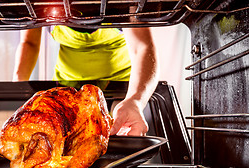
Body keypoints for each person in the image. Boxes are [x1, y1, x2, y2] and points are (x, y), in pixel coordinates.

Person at [12, 26, 159, 136]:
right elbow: (29, 43)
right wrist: (15, 89)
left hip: (121, 86)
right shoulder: (39, 5)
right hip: (66, 85)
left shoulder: (121, 5)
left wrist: (135, 100)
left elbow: (143, 47)